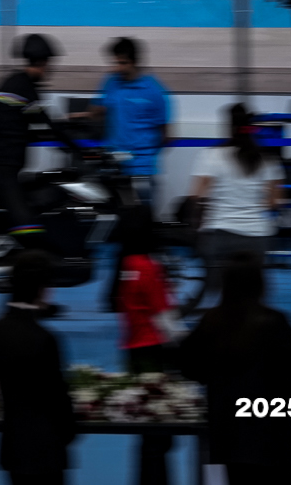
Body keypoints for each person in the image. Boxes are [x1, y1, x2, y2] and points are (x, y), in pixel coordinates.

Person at [177, 254, 291, 485]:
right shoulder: (276, 322)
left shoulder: (210, 322)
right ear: (261, 285)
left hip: (230, 435)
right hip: (273, 436)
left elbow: (187, 367)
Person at [182, 103, 282, 316]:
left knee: (212, 288)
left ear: (228, 126)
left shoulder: (211, 155)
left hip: (218, 234)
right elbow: (274, 202)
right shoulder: (268, 160)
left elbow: (196, 195)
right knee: (254, 293)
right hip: (257, 236)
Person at [0, 250, 76, 485]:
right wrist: (69, 432)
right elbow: (57, 395)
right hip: (47, 449)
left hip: (13, 445)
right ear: (42, 289)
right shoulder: (45, 338)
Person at [109, 205, 179, 485]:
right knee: (159, 436)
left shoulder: (125, 266)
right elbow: (166, 318)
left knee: (147, 431)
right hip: (155, 353)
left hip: (133, 352)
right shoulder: (149, 268)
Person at [0, 34, 57, 243]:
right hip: (3, 174)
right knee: (31, 230)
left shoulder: (12, 82)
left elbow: (24, 128)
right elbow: (48, 124)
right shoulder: (24, 87)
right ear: (43, 62)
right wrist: (81, 150)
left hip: (2, 169)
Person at [87, 37, 170, 208]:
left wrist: (143, 153)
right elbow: (96, 111)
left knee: (142, 222)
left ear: (135, 62)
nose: (118, 68)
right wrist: (95, 111)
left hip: (142, 169)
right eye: (116, 62)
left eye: (123, 63)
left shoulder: (154, 91)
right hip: (113, 168)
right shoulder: (111, 82)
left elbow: (166, 135)